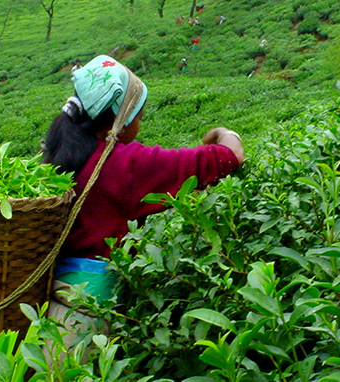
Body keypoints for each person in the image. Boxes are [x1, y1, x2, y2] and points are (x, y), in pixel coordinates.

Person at [41, 55, 244, 350]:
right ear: (119, 119)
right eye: (138, 115)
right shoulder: (124, 164)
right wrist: (225, 134)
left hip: (48, 305)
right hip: (85, 320)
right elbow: (230, 156)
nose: (139, 124)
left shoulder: (57, 153)